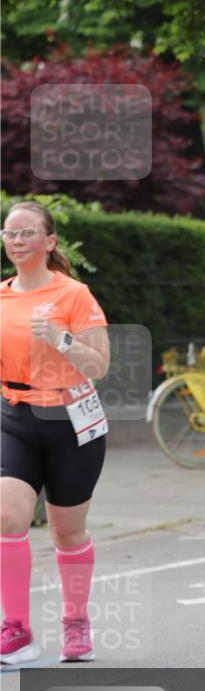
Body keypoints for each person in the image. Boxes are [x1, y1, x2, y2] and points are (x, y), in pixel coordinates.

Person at [1, 202, 110, 665]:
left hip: (70, 421)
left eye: (27, 232)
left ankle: (76, 622)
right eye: (10, 233)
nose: (17, 240)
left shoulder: (74, 294)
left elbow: (99, 365)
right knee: (7, 517)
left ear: (49, 242)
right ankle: (17, 630)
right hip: (15, 416)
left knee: (68, 532)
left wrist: (61, 339)